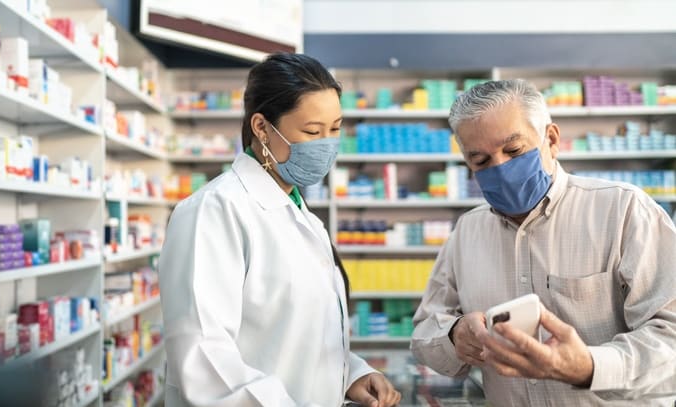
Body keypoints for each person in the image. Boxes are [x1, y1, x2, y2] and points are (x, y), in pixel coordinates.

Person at [410, 79, 676, 406]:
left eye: (514, 150)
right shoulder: (468, 231)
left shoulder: (624, 211)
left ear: (550, 139)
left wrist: (590, 366)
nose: (501, 169)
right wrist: (453, 336)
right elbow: (424, 331)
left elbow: (670, 335)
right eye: (480, 161)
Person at [158, 53, 401, 407]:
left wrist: (352, 373)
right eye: (312, 131)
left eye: (335, 129)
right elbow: (203, 360)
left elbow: (301, 333)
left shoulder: (302, 215)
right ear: (261, 127)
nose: (327, 145)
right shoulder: (214, 211)